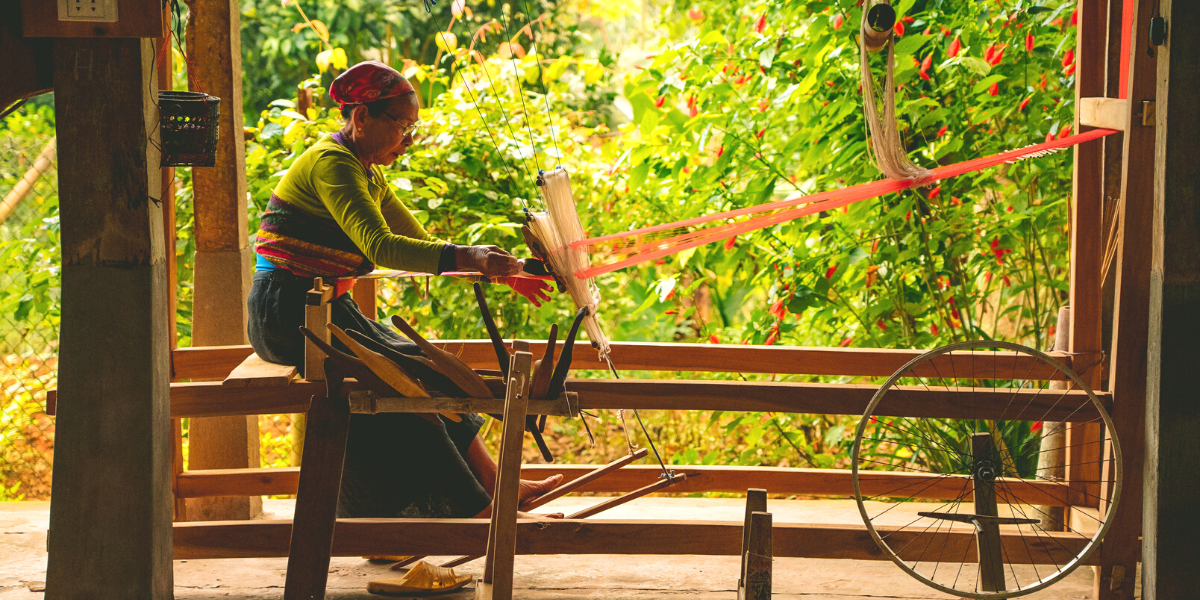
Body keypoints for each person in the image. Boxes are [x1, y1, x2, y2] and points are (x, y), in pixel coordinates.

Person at [247, 61, 559, 520]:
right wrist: (470, 256)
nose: (408, 138)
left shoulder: (367, 172)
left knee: (430, 369)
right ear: (362, 117)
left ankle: (496, 485)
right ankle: (478, 510)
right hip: (288, 314)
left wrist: (505, 272)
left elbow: (422, 246)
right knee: (406, 389)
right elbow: (382, 246)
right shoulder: (332, 164)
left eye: (412, 126)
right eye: (402, 125)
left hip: (326, 309)